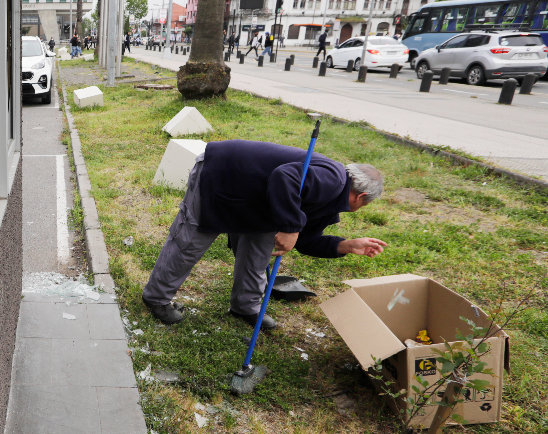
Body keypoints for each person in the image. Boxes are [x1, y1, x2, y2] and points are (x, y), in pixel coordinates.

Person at [141, 140, 387, 327]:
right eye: (362, 206)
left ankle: (245, 306)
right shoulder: (333, 179)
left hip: (263, 202)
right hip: (222, 175)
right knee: (190, 243)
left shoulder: (331, 202)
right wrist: (290, 227)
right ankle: (157, 298)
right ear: (361, 196)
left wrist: (346, 246)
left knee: (258, 253)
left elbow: (306, 240)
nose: (357, 209)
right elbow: (285, 177)